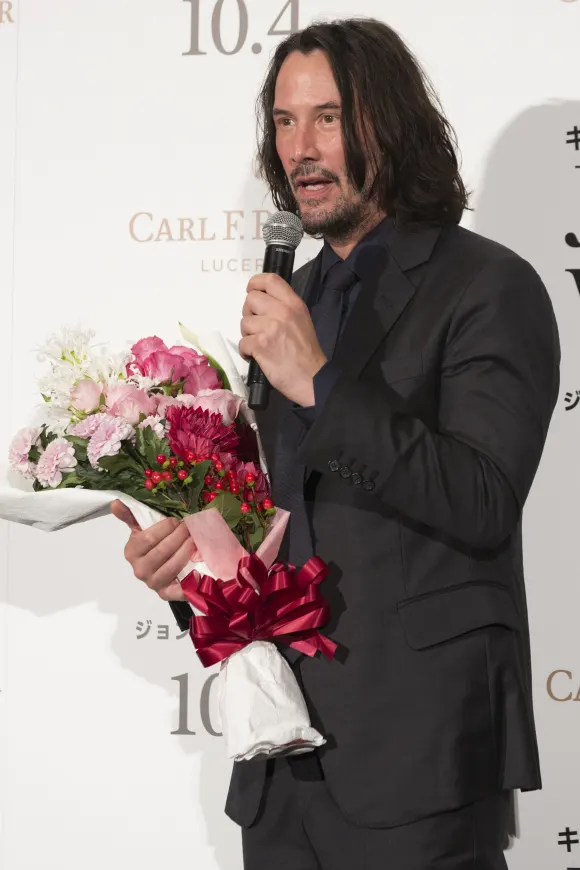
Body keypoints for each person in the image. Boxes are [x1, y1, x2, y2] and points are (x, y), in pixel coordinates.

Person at [112, 17, 560, 870]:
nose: (300, 148)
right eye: (283, 122)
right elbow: (275, 529)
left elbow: (483, 499)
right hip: (280, 759)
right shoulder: (294, 296)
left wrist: (320, 382)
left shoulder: (489, 285)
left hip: (418, 756)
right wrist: (188, 574)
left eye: (327, 117)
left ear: (387, 126)